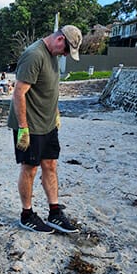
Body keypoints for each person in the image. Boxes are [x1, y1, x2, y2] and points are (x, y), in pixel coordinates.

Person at [7, 25, 82, 233]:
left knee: (50, 165)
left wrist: (56, 113)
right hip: (30, 126)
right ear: (60, 40)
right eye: (66, 50)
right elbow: (19, 93)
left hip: (48, 124)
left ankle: (54, 212)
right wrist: (23, 128)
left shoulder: (53, 56)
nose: (65, 55)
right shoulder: (33, 55)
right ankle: (27, 214)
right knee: (30, 168)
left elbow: (50, 89)